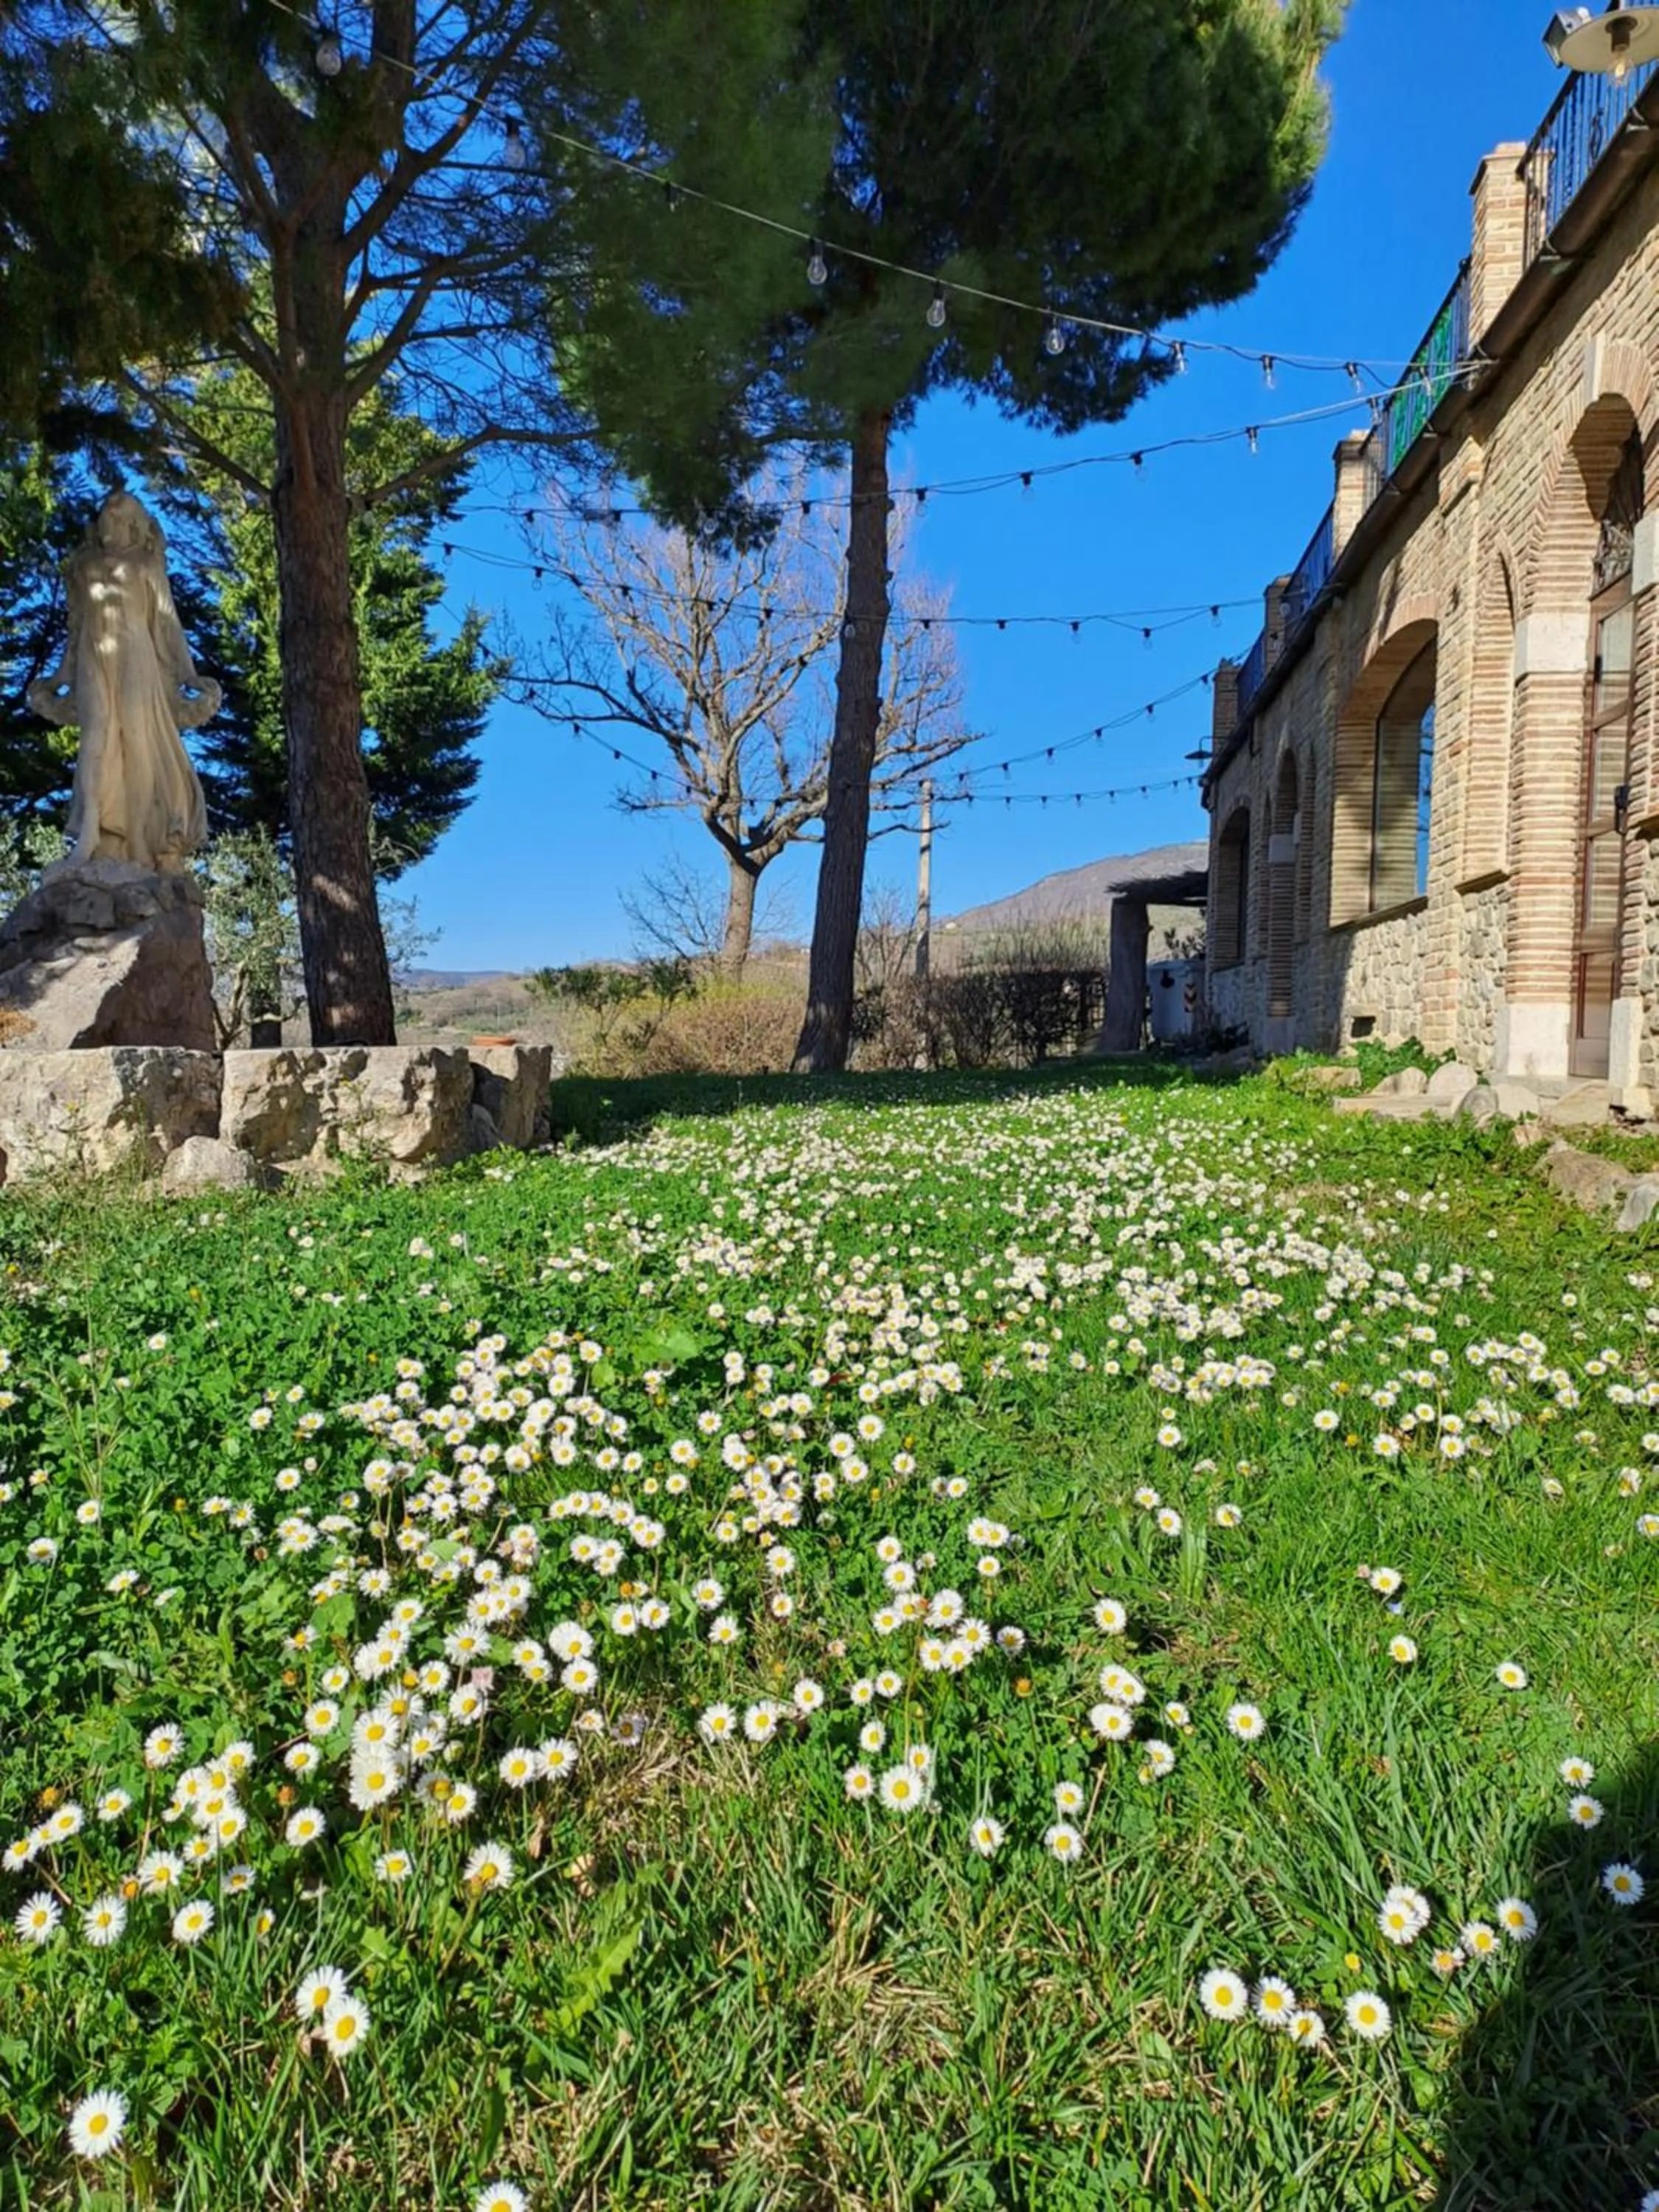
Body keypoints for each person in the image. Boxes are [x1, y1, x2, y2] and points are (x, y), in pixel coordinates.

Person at [27, 491, 216, 874]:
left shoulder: (148, 564)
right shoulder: (85, 565)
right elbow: (76, 623)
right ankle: (90, 837)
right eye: (104, 519)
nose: (108, 527)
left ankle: (143, 843)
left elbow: (167, 625)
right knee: (95, 735)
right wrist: (60, 677)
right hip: (94, 654)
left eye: (117, 520)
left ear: (133, 524)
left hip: (137, 658)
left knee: (137, 737)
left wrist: (189, 674)